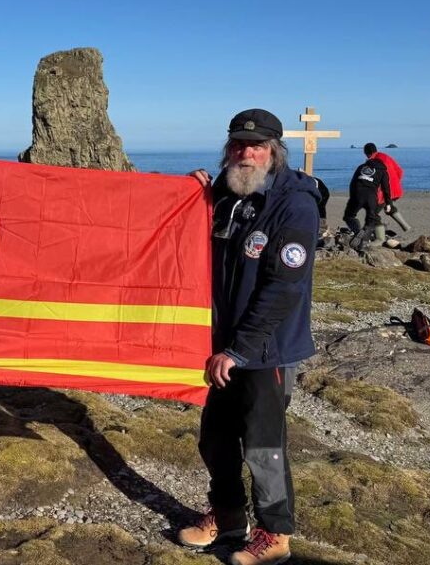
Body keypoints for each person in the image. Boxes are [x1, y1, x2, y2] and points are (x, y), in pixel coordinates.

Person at [177, 109, 319, 565]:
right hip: (220, 344)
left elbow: (284, 288)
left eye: (255, 146)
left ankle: (275, 533)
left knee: (263, 444)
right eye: (238, 144)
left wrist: (239, 349)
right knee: (215, 437)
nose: (245, 153)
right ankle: (227, 515)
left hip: (266, 348)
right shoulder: (224, 190)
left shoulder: (294, 204)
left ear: (274, 151)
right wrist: (186, 193)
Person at [342, 145, 394, 248]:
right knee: (370, 221)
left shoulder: (361, 167)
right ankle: (364, 240)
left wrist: (352, 198)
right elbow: (386, 188)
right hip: (371, 197)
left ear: (366, 153)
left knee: (349, 216)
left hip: (357, 194)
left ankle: (357, 232)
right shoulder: (382, 170)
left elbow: (353, 183)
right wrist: (388, 203)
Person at [364, 143, 411, 232]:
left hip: (384, 191)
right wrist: (395, 183)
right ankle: (406, 227)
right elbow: (400, 171)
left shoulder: (372, 162)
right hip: (395, 189)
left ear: (367, 153)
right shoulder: (385, 156)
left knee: (373, 213)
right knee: (388, 206)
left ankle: (379, 237)